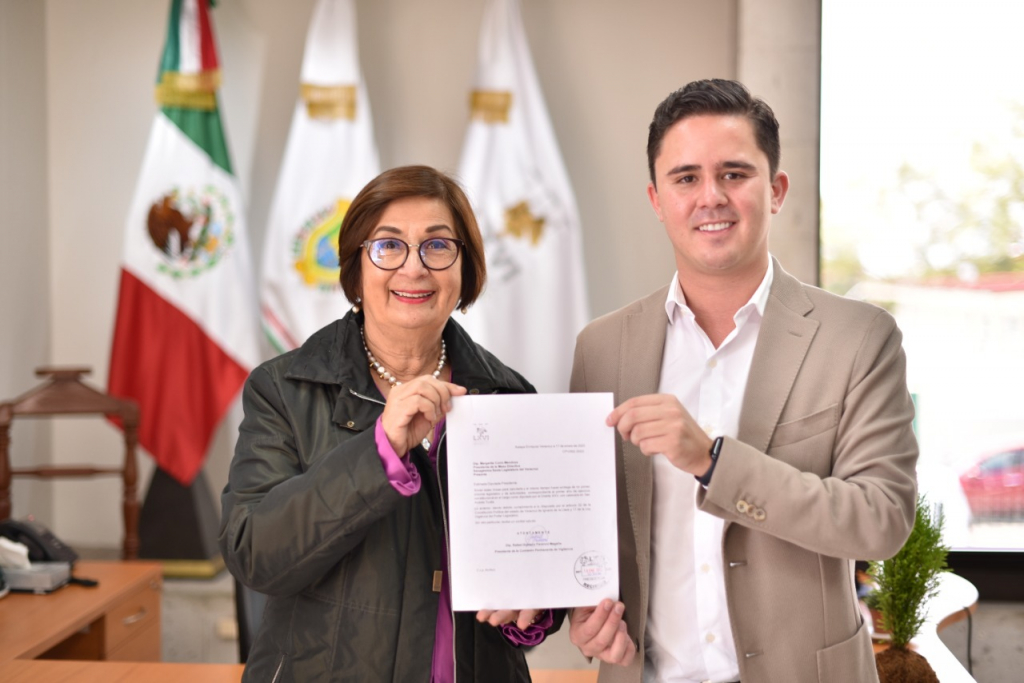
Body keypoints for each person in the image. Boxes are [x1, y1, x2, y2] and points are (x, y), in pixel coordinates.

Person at [567, 80, 918, 682]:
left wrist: (713, 462)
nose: (711, 197)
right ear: (657, 199)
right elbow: (584, 523)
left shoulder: (859, 338)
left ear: (775, 190)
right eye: (686, 178)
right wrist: (583, 614)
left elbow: (881, 519)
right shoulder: (601, 347)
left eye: (734, 174)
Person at [219, 165, 559, 682]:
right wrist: (378, 451)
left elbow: (538, 566)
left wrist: (538, 601)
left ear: (465, 267)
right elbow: (254, 554)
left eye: (437, 245)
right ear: (356, 267)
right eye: (388, 246)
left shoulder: (509, 395)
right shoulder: (283, 389)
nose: (414, 268)